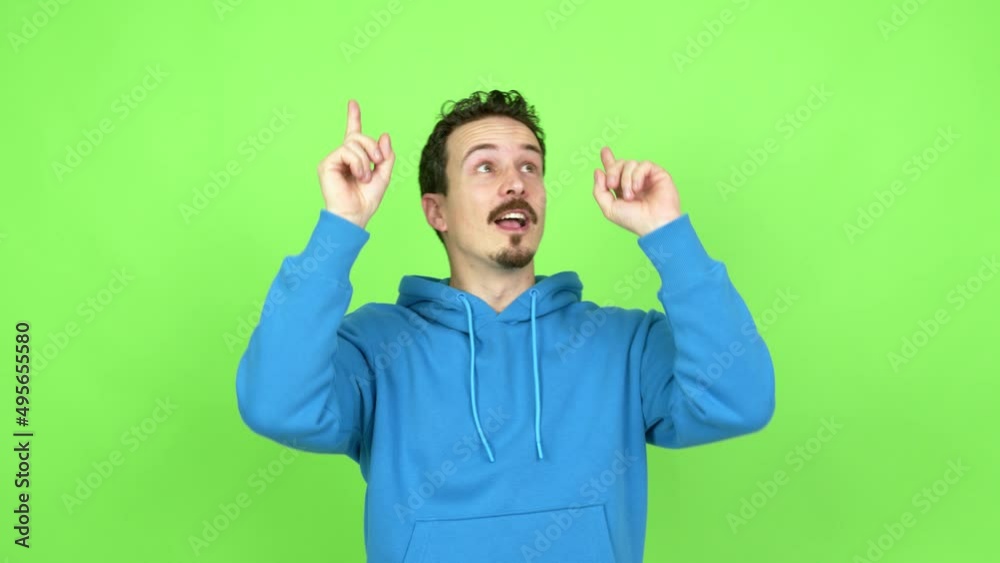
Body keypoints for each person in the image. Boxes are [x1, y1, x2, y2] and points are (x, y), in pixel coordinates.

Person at [236, 90, 775, 563]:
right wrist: (340, 226)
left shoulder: (624, 344)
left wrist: (670, 236)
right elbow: (276, 404)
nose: (516, 183)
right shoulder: (377, 346)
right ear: (437, 212)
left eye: (530, 167)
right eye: (485, 167)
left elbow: (740, 400)